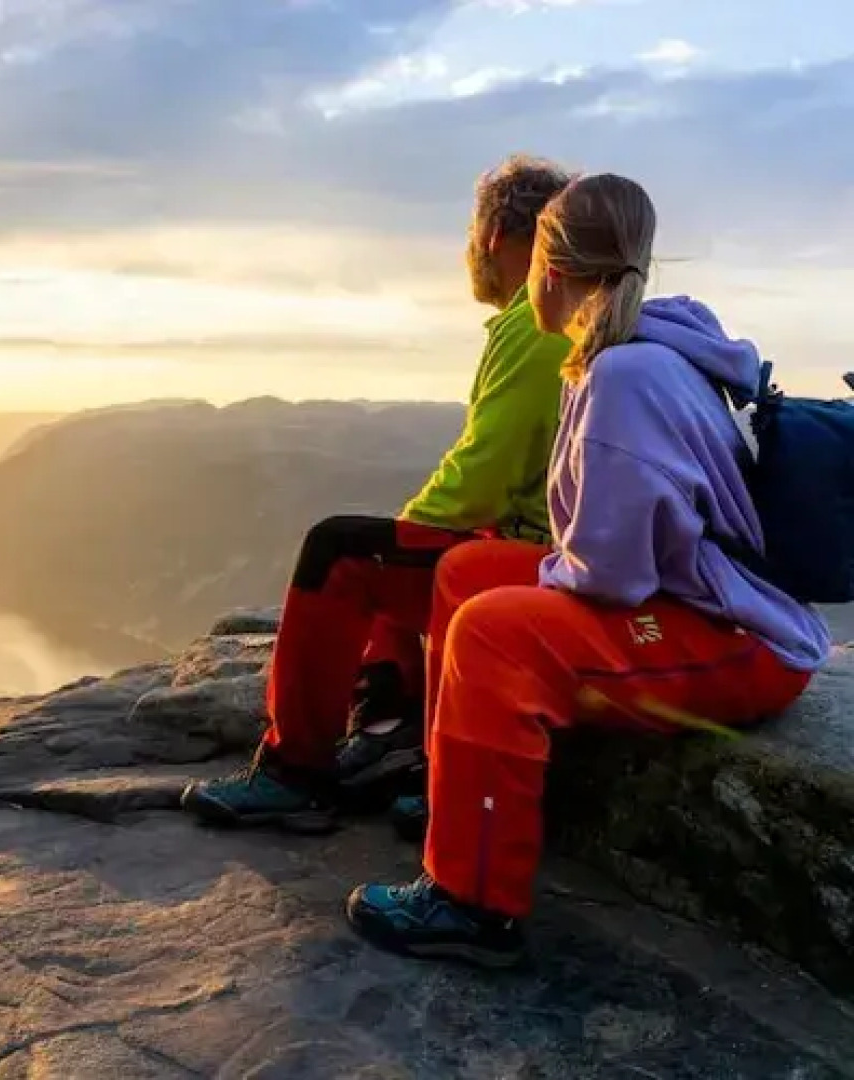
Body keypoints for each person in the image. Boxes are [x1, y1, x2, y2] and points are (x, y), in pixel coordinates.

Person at [344, 172, 831, 967]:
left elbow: (607, 578)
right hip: (695, 600)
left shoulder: (621, 377)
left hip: (743, 636)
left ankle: (472, 902)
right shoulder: (638, 352)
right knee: (467, 573)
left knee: (493, 634)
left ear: (550, 270)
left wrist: (539, 590)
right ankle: (453, 787)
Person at [182, 154, 579, 831]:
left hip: (544, 563)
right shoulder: (585, 310)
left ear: (489, 239)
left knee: (340, 551)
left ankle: (295, 772)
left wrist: (406, 529)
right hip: (574, 555)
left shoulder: (533, 321)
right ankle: (391, 731)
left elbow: (480, 482)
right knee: (406, 543)